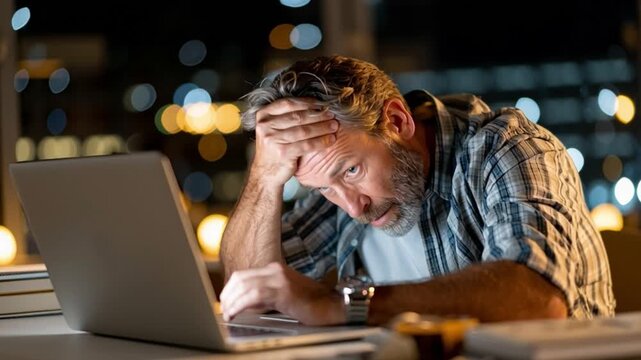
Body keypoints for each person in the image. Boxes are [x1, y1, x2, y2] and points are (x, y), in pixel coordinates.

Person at [218, 55, 615, 326]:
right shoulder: (343, 189)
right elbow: (249, 291)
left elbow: (539, 300)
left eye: (352, 170)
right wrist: (263, 180)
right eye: (324, 189)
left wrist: (346, 306)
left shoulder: (506, 151)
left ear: (396, 120)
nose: (353, 208)